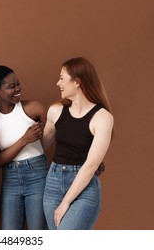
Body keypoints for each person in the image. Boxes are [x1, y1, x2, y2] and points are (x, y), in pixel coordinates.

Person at [41, 57, 114, 230]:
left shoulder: (102, 117)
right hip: (53, 182)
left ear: (77, 82)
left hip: (84, 186)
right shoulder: (56, 111)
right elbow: (39, 148)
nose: (57, 83)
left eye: (61, 78)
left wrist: (66, 202)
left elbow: (91, 165)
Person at [0, 65, 48, 230]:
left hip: (37, 176)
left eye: (18, 84)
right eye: (11, 86)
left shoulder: (34, 109)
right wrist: (24, 140)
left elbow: (62, 134)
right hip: (10, 180)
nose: (18, 89)